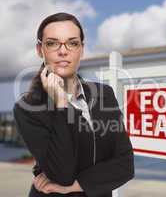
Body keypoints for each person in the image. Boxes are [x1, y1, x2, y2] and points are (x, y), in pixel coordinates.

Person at [13, 12, 134, 197]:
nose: (63, 51)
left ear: (81, 49)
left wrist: (75, 186)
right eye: (52, 43)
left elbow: (125, 165)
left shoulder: (104, 95)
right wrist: (62, 104)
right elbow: (62, 174)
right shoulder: (27, 108)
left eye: (73, 43)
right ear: (40, 50)